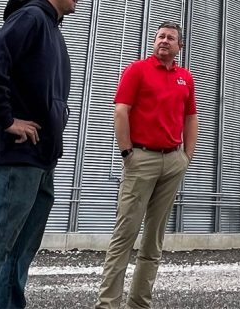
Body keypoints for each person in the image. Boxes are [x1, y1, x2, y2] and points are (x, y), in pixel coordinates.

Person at [0, 0, 93, 309]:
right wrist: (7, 120)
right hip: (17, 153)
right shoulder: (31, 18)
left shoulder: (51, 29)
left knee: (20, 247)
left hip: (40, 157)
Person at [96, 22, 198, 309]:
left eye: (170, 38)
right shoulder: (137, 70)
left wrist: (186, 157)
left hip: (172, 160)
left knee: (154, 237)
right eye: (160, 37)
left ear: (180, 46)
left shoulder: (185, 78)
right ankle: (108, 304)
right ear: (154, 42)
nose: (164, 41)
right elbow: (121, 110)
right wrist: (127, 152)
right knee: (125, 234)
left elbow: (191, 118)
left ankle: (140, 303)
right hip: (141, 159)